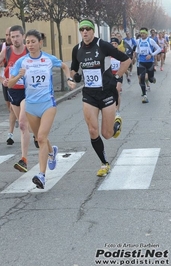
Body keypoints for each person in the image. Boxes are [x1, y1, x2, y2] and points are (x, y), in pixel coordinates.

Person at [8, 30, 76, 189]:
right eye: (27, 42)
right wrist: (19, 76)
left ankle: (41, 175)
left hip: (47, 104)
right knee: (39, 138)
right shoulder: (22, 62)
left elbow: (65, 66)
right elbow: (9, 84)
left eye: (33, 41)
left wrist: (69, 79)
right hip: (31, 106)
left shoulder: (48, 59)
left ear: (40, 43)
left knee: (42, 137)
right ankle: (52, 152)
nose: (30, 45)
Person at [70, 19, 131, 177]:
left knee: (107, 134)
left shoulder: (103, 45)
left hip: (106, 93)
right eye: (82, 29)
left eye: (87, 29)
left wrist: (116, 76)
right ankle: (104, 163)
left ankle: (116, 124)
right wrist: (74, 77)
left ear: (93, 31)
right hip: (89, 94)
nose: (84, 32)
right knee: (92, 130)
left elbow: (127, 60)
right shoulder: (77, 49)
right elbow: (73, 70)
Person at [0, 25, 31, 173]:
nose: (14, 39)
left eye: (17, 36)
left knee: (21, 124)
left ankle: (24, 159)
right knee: (27, 126)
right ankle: (44, 144)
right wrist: (3, 80)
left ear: (23, 37)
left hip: (28, 91)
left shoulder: (29, 50)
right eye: (12, 36)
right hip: (13, 91)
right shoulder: (6, 51)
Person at [0, 27, 18, 145]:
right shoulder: (1, 48)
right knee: (9, 106)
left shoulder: (21, 48)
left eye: (10, 35)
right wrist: (1, 64)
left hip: (19, 81)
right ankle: (17, 118)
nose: (8, 37)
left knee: (13, 107)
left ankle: (10, 134)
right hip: (6, 81)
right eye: (7, 35)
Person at [135, 27, 161, 103]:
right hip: (141, 62)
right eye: (141, 33)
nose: (142, 34)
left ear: (146, 34)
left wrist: (151, 54)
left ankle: (152, 78)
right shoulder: (138, 41)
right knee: (142, 78)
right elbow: (136, 49)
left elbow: (159, 49)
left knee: (150, 79)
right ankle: (145, 95)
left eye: (143, 33)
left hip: (149, 62)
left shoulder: (150, 41)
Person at [110, 37, 124, 136]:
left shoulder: (120, 54)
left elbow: (125, 63)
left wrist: (122, 73)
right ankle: (112, 108)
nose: (113, 45)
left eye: (115, 43)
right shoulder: (107, 54)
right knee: (111, 93)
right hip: (110, 76)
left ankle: (117, 110)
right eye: (112, 43)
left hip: (118, 75)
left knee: (117, 91)